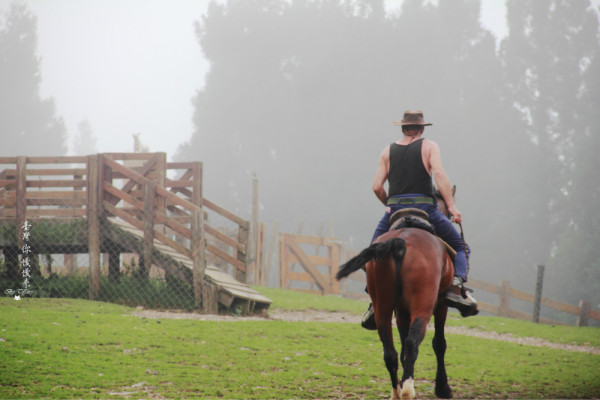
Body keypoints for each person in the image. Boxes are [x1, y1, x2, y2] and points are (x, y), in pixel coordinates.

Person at [362, 110, 478, 330]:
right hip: (426, 208)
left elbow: (376, 187)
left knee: (371, 256)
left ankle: (373, 303)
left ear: (403, 128)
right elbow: (440, 176)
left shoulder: (387, 151)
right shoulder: (429, 147)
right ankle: (455, 288)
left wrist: (390, 205)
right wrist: (451, 207)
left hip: (394, 209)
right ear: (422, 129)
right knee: (461, 247)